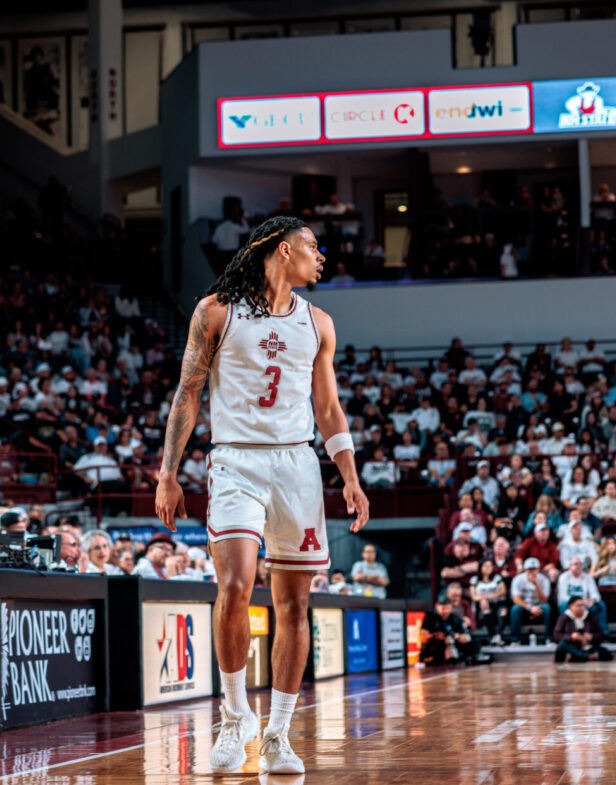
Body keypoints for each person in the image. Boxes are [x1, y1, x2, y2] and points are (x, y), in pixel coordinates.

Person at [154, 216, 369, 775]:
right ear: (282, 249)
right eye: (313, 248)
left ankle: (277, 733)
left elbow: (327, 409)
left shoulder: (319, 323)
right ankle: (233, 718)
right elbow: (188, 392)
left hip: (296, 465)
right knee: (235, 583)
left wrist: (348, 473)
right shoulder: (216, 311)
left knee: (294, 604)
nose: (321, 258)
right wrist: (167, 473)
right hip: (235, 461)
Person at [553, 596, 613, 663]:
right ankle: (587, 656)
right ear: (570, 606)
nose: (581, 608)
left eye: (583, 605)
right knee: (562, 645)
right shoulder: (564, 618)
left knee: (606, 653)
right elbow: (556, 635)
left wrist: (592, 636)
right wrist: (571, 637)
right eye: (578, 605)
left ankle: (581, 657)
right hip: (572, 647)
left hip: (587, 647)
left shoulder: (590, 616)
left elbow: (601, 635)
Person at [509, 557, 551, 643]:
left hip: (539, 604)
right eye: (529, 569)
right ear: (525, 569)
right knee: (515, 609)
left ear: (538, 569)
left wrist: (536, 585)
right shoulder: (518, 579)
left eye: (534, 569)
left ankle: (549, 638)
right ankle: (515, 639)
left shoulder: (544, 580)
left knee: (547, 608)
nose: (532, 572)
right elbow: (516, 599)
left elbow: (544, 600)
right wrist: (530, 607)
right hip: (525, 606)